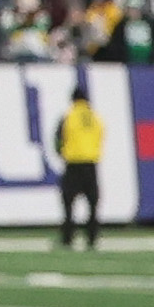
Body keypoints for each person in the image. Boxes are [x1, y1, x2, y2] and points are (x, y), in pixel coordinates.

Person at [54, 77, 105, 248]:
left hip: (73, 163)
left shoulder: (69, 116)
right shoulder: (95, 117)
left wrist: (62, 153)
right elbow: (101, 135)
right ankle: (92, 237)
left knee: (68, 204)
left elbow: (58, 139)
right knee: (92, 204)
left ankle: (68, 237)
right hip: (91, 163)